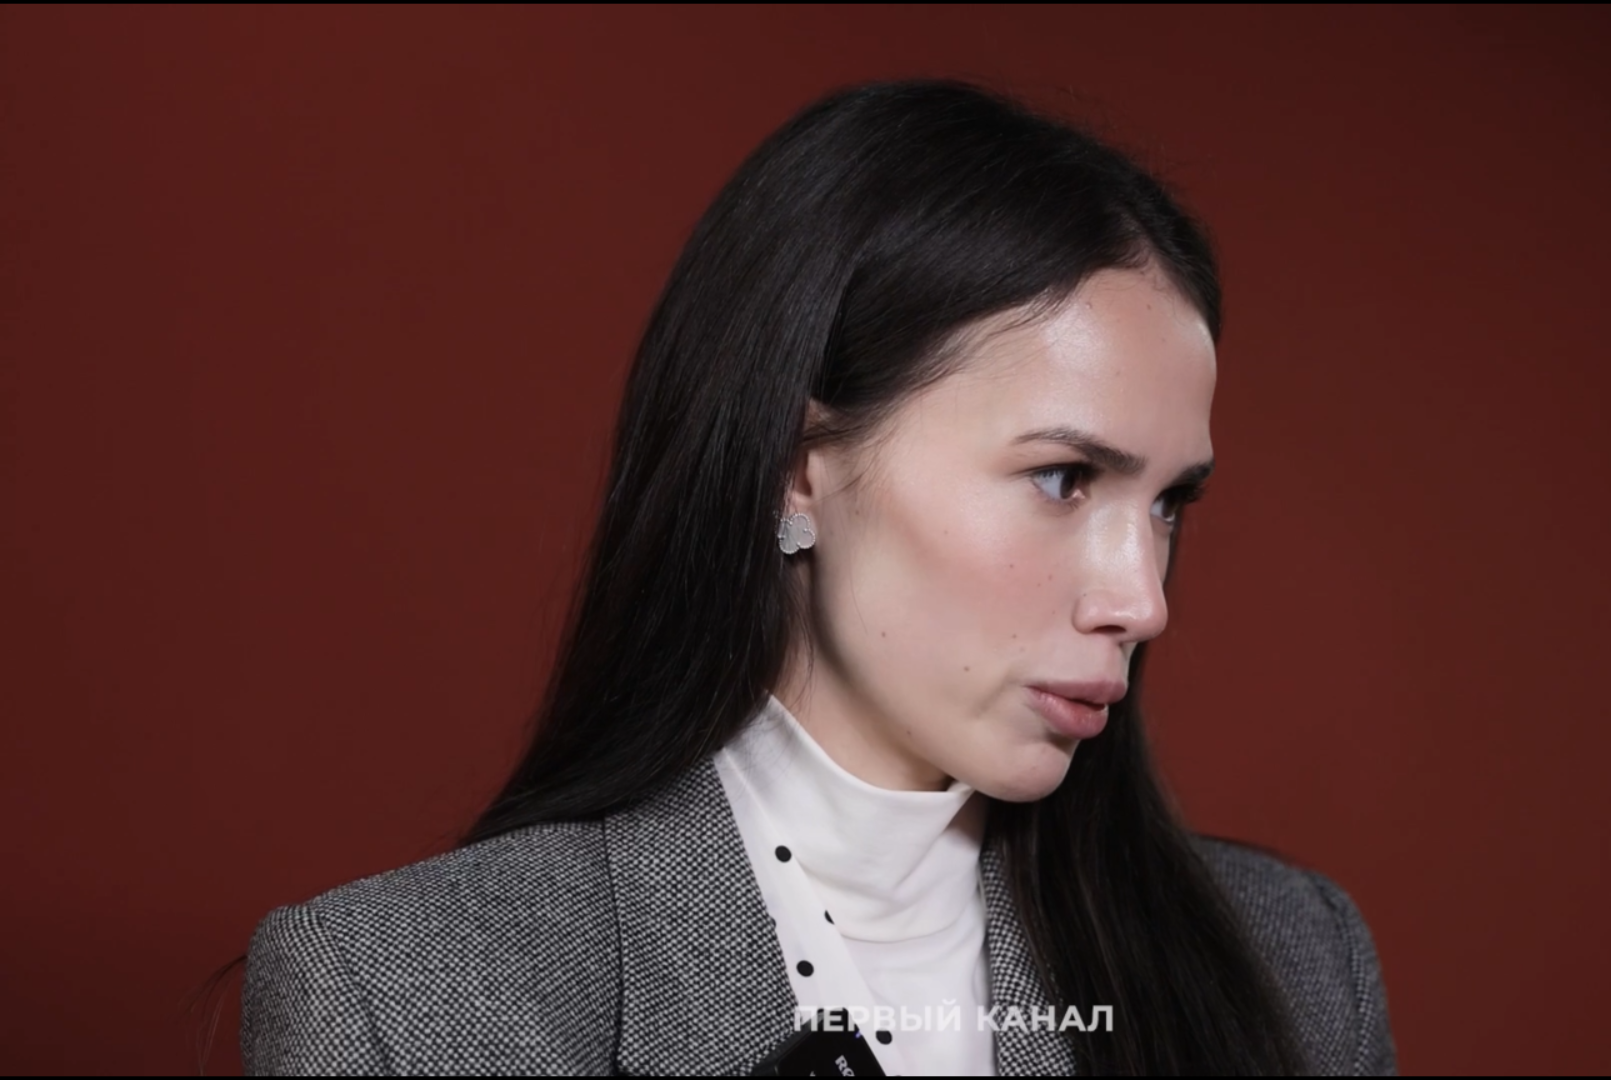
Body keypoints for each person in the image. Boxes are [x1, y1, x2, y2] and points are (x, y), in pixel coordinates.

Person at [239, 78, 1397, 1077]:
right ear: (798, 472)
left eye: (1168, 505)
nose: (1142, 601)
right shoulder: (405, 997)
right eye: (1063, 479)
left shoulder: (1294, 964)